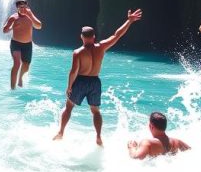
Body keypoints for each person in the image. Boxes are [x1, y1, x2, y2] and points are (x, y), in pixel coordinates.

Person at [53, 8, 143, 146]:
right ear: (94, 36)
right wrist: (129, 21)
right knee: (95, 111)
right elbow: (117, 35)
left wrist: (69, 86)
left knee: (69, 106)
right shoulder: (101, 47)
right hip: (95, 82)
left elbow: (73, 71)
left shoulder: (78, 52)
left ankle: (61, 132)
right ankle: (99, 137)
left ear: (81, 37)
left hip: (81, 81)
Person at [2, 0, 43, 89]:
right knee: (17, 64)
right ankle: (12, 88)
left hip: (27, 45)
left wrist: (30, 15)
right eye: (21, 7)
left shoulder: (30, 15)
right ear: (17, 8)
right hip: (15, 43)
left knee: (26, 66)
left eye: (25, 7)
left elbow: (39, 26)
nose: (23, 9)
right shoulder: (13, 17)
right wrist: (11, 27)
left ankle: (20, 78)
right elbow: (4, 30)